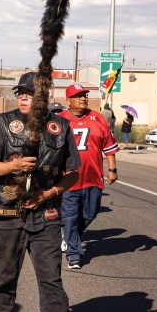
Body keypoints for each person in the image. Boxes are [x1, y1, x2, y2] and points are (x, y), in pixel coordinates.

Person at [0, 72, 83, 312]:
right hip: (10, 214)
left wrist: (50, 192)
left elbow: (73, 172)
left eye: (29, 93)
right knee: (5, 276)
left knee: (51, 282)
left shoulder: (60, 126)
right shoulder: (2, 122)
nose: (22, 97)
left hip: (46, 216)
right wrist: (14, 165)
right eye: (20, 92)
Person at [59, 84, 119, 269]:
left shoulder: (97, 118)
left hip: (93, 176)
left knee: (90, 213)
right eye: (77, 96)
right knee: (69, 216)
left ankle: (70, 236)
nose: (83, 98)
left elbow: (108, 145)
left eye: (84, 95)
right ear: (68, 101)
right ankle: (73, 253)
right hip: (68, 178)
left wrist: (112, 169)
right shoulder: (59, 120)